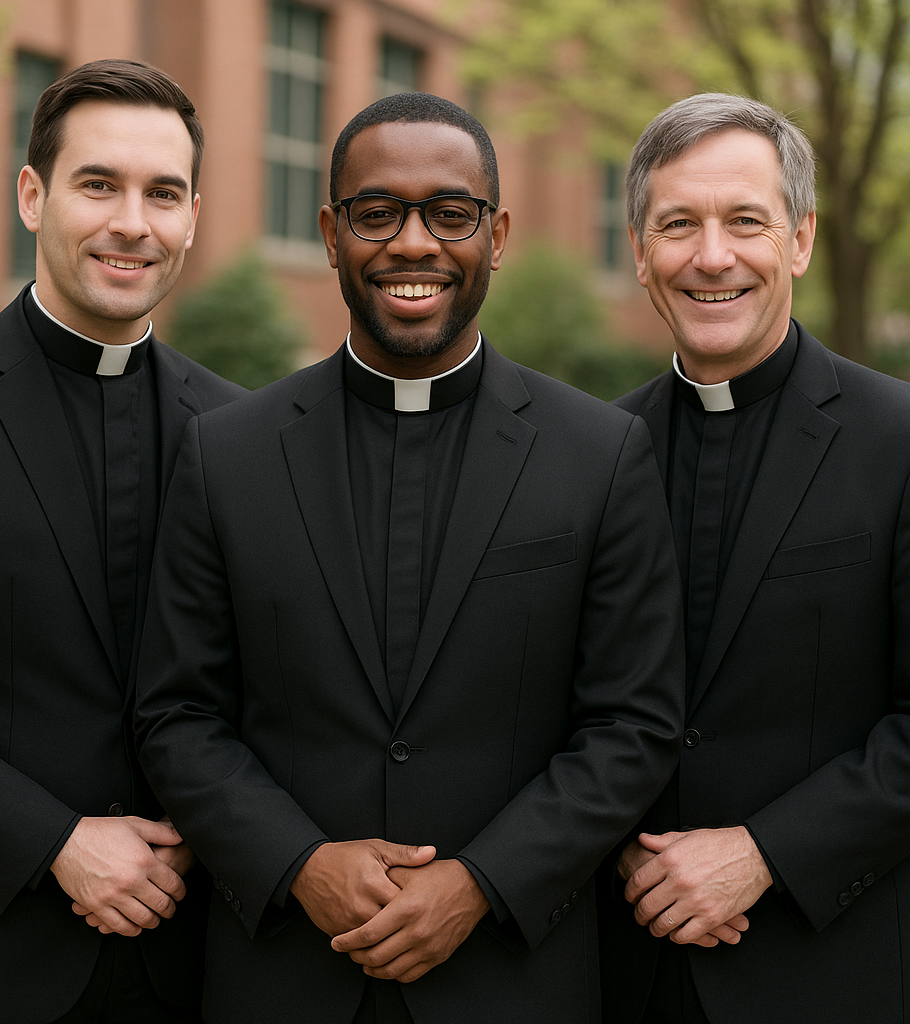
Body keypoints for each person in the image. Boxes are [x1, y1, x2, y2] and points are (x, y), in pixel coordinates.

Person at [134, 91, 684, 1024]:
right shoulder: (224, 453)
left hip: (515, 980)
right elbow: (176, 714)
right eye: (377, 213)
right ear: (331, 233)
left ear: (498, 234)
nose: (415, 243)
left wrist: (481, 883)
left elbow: (633, 725)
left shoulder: (600, 454)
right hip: (282, 978)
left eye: (451, 213)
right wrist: (299, 863)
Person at [0, 59, 244, 1024]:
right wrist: (56, 842)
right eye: (99, 184)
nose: (134, 221)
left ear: (193, 216)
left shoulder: (243, 432)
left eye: (162, 193)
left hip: (199, 969)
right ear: (31, 195)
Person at [599, 92, 910, 1024]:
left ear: (802, 240)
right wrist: (618, 839)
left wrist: (765, 852)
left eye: (746, 221)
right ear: (640, 250)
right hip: (620, 969)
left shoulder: (900, 440)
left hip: (834, 970)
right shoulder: (591, 454)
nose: (712, 256)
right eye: (678, 225)